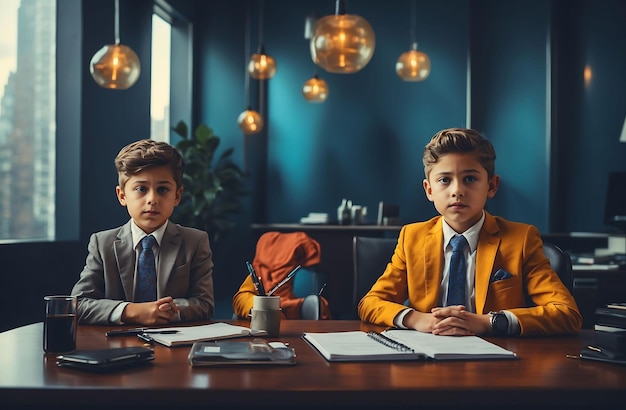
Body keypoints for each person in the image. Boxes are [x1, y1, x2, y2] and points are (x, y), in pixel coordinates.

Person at [358, 128, 582, 336]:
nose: (457, 191)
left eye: (470, 179)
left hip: (495, 359)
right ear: (429, 190)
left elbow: (566, 313)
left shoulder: (521, 240)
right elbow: (370, 303)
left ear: (491, 186)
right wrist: (416, 319)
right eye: (444, 180)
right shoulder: (412, 237)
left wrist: (489, 322)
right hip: (424, 355)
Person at [71, 139, 214, 326]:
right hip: (115, 345)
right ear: (122, 196)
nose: (152, 199)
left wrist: (165, 311)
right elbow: (78, 304)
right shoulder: (102, 243)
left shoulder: (195, 241)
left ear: (177, 196)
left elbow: (204, 304)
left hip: (173, 344)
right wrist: (131, 311)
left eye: (163, 189)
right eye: (141, 189)